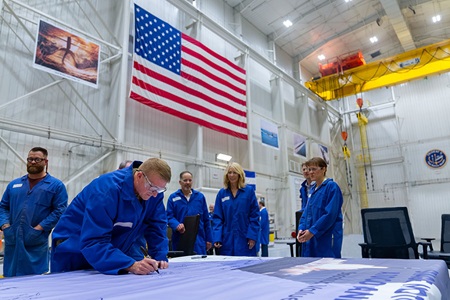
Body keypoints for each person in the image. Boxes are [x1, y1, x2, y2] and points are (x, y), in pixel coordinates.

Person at [51, 158, 171, 275]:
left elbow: (156, 225)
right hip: (75, 252)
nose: (155, 194)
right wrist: (129, 264)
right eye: (152, 187)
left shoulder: (152, 193)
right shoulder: (106, 190)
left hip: (107, 254)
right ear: (139, 176)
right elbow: (93, 240)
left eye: (160, 190)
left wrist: (159, 256)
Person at [0, 147, 68, 277]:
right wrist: (5, 225)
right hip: (12, 240)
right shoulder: (14, 184)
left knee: (33, 282)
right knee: (9, 281)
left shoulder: (55, 186)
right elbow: (3, 207)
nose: (33, 162)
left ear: (45, 162)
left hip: (35, 241)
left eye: (37, 159)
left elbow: (60, 210)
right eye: (30, 159)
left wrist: (40, 227)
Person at [297, 157, 343, 258]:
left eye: (314, 169)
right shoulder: (312, 190)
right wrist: (301, 228)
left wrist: (313, 231)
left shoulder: (331, 187)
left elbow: (330, 214)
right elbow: (306, 212)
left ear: (323, 169)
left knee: (327, 266)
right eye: (309, 169)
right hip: (311, 236)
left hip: (326, 236)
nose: (311, 172)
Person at [212, 162, 260, 256]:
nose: (232, 175)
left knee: (246, 267)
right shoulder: (222, 194)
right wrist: (217, 237)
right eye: (229, 172)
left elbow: (254, 216)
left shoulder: (248, 192)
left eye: (234, 172)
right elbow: (218, 218)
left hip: (245, 238)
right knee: (228, 268)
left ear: (240, 175)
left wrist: (252, 236)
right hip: (227, 239)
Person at [166, 171, 212, 255]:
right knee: (182, 265)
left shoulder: (200, 197)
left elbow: (206, 220)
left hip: (198, 240)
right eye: (185, 180)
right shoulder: (173, 198)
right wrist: (176, 225)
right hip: (180, 238)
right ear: (180, 182)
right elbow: (169, 216)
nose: (188, 183)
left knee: (199, 265)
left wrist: (209, 239)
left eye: (190, 180)